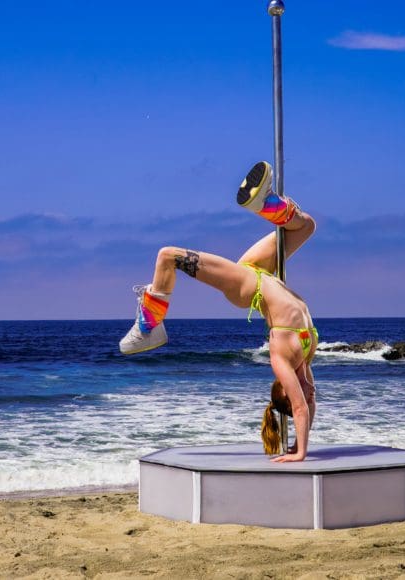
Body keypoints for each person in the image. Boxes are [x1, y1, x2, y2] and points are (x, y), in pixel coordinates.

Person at [119, 161, 318, 463]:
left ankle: (149, 326)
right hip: (258, 273)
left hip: (247, 286)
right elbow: (307, 406)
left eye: (300, 394)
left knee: (168, 256)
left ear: (286, 390)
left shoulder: (282, 359)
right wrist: (299, 446)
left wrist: (300, 452)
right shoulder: (306, 356)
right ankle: (265, 203)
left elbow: (301, 408)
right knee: (307, 226)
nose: (310, 394)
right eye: (308, 394)